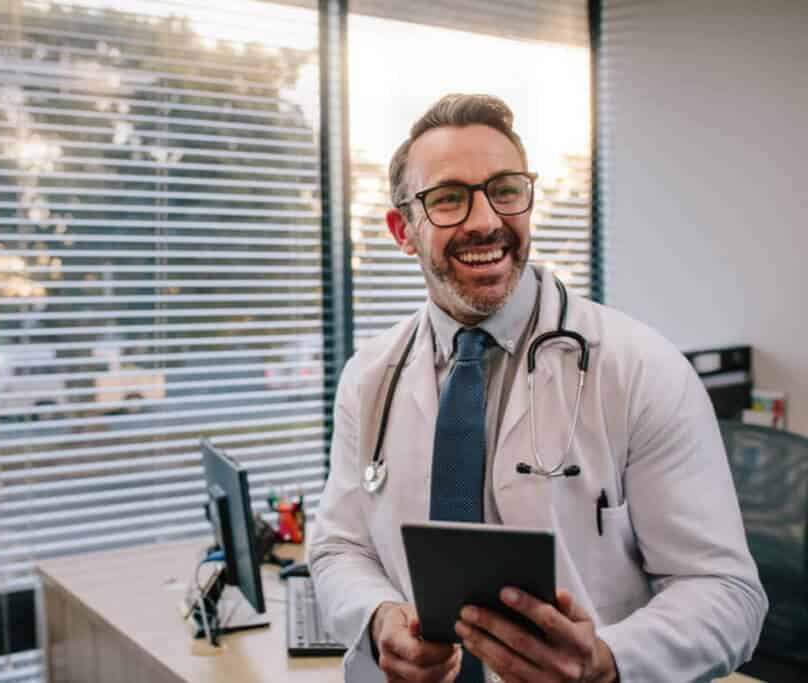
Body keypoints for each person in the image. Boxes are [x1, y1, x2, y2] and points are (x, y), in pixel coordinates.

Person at [307, 93, 767, 683]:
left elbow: (728, 594)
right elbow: (339, 548)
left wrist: (608, 660)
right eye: (448, 199)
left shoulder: (639, 368)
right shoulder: (371, 376)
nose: (485, 220)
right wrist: (378, 618)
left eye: (505, 189)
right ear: (403, 230)